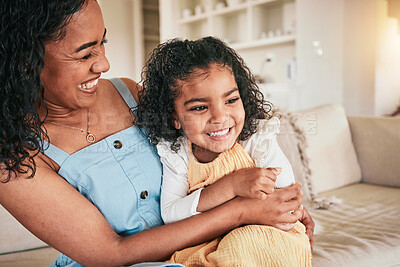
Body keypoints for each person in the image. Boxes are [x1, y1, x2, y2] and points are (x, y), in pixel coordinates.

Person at [0, 0, 314, 266]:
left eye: (102, 44)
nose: (104, 64)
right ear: (26, 61)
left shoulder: (132, 94)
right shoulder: (15, 159)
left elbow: (212, 149)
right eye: (85, 55)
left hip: (199, 248)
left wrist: (282, 207)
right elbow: (110, 252)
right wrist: (243, 211)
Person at [134, 37, 312, 266]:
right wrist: (230, 187)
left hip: (266, 236)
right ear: (174, 117)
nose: (220, 117)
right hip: (211, 242)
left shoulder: (255, 142)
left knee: (241, 248)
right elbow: (170, 214)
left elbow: (286, 194)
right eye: (199, 107)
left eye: (231, 100)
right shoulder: (177, 154)